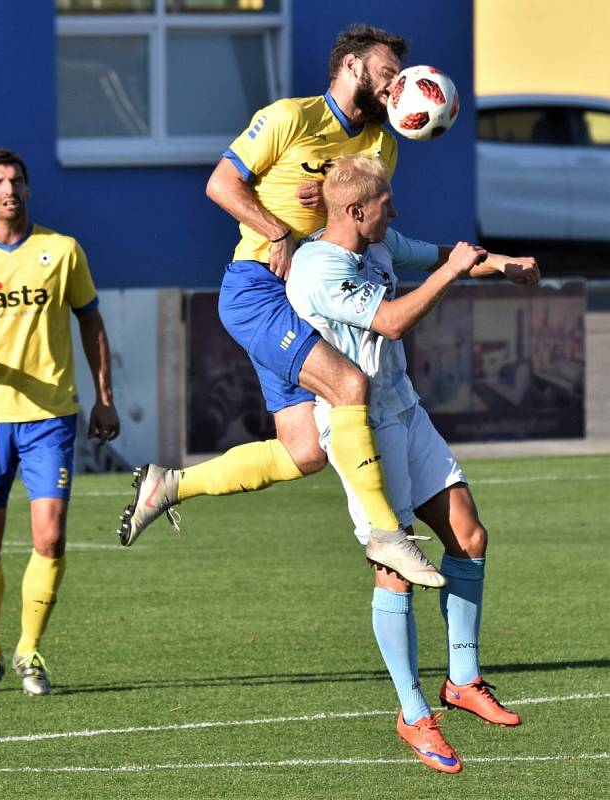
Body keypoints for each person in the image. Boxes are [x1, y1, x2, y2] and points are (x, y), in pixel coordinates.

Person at [119, 24, 444, 588]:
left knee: (304, 452)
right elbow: (221, 184)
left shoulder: (382, 143)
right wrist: (276, 230)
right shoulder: (291, 118)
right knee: (349, 386)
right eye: (388, 75)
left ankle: (167, 485)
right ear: (351, 66)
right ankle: (389, 536)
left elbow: (358, 224)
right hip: (258, 288)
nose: (396, 89)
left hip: (310, 294)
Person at [286, 154, 539, 773]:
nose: (393, 213)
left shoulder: (377, 242)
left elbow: (440, 251)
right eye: (384, 205)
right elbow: (393, 321)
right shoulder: (318, 269)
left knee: (468, 533)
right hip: (357, 427)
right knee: (394, 565)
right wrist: (452, 272)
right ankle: (413, 713)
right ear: (354, 212)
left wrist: (503, 265)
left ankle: (463, 680)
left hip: (403, 407)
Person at [0, 146, 120, 696]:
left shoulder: (61, 251)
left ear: (27, 188)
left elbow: (91, 323)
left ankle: (28, 652)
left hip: (49, 418)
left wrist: (104, 397)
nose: (8, 189)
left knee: (51, 536)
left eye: (16, 179)